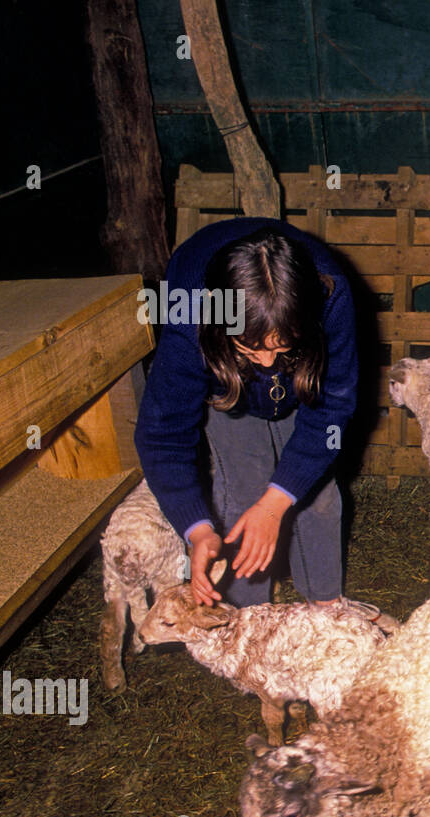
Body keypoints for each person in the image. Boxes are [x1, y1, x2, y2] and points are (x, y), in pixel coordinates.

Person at [134, 218, 359, 609]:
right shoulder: (190, 317)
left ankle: (326, 611)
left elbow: (333, 407)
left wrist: (276, 504)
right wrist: (197, 530)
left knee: (318, 493)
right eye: (253, 349)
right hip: (226, 380)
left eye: (280, 346)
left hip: (304, 378)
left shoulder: (330, 297)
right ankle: (245, 622)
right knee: (242, 493)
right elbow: (162, 433)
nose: (269, 363)